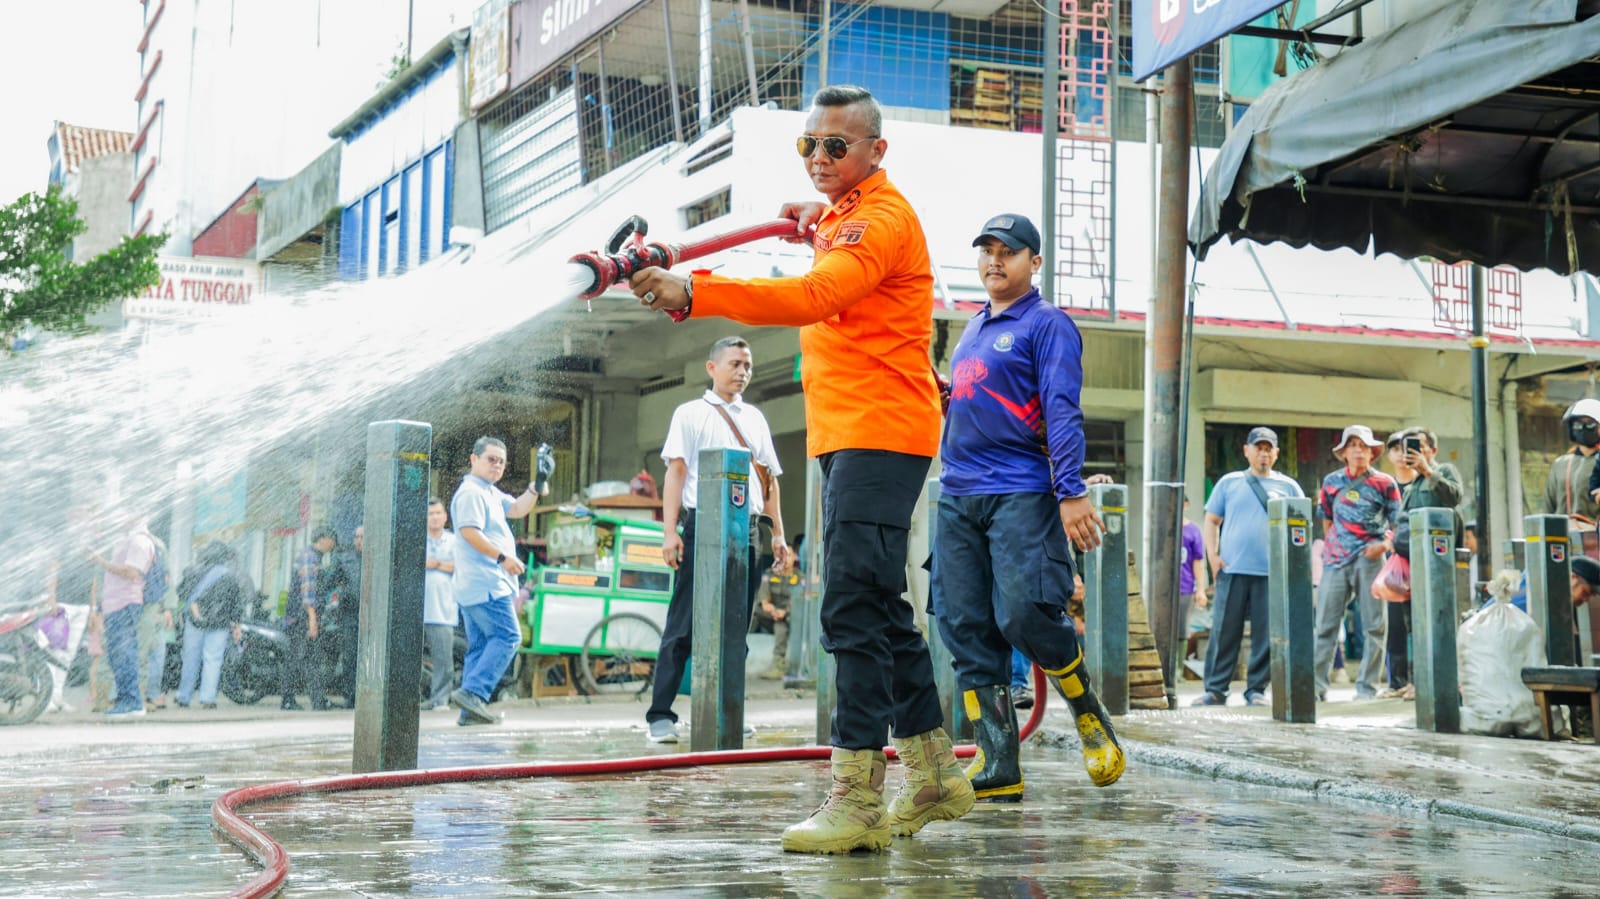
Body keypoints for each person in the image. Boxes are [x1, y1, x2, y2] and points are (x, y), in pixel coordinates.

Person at [629, 86, 982, 853]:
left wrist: (695, 291)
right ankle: (934, 772)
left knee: (850, 607)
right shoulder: (848, 214)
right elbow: (834, 252)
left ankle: (856, 795)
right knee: (877, 600)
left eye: (837, 147)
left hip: (881, 429)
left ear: (876, 152)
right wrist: (815, 218)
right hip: (855, 432)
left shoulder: (880, 218)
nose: (820, 158)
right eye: (808, 146)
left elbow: (822, 293)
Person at [931, 211, 1120, 805]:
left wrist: (1070, 492)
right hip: (958, 492)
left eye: (1007, 251)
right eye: (986, 250)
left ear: (1033, 263)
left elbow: (1061, 410)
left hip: (1022, 488)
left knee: (1024, 614)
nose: (994, 260)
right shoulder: (972, 329)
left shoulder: (1048, 324)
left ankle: (1086, 708)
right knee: (963, 624)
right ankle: (997, 761)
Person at [647, 336, 789, 742]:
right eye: (734, 364)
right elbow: (676, 473)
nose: (742, 372)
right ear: (712, 368)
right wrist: (670, 531)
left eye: (747, 365)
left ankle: (729, 709)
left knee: (735, 628)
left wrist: (777, 533)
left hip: (746, 532)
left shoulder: (756, 419)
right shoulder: (690, 414)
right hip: (701, 527)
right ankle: (660, 716)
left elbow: (769, 481)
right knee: (684, 624)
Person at [1196, 427, 1306, 707]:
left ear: (1277, 453)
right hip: (1232, 569)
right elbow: (1211, 520)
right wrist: (1213, 557)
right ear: (1247, 451)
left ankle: (1256, 689)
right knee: (1224, 630)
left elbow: (1301, 528)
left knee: (1266, 634)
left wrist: (1292, 568)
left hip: (1271, 573)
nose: (1263, 453)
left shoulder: (1289, 487)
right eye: (1258, 448)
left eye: (1269, 448)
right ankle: (1216, 689)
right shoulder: (1230, 483)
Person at [449, 436, 549, 726]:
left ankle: (470, 713)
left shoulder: (489, 492)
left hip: (477, 585)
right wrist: (503, 557)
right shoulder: (471, 493)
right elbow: (469, 532)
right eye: (491, 459)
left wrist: (538, 482)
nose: (497, 466)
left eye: (502, 462)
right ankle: (473, 693)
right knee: (508, 636)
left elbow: (518, 508)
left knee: (480, 646)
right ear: (474, 459)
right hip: (486, 582)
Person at [1312, 425, 1402, 702]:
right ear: (1344, 452)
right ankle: (1315, 687)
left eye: (1363, 446)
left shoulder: (1385, 483)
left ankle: (1367, 687)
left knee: (1375, 626)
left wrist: (1384, 546)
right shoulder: (1331, 482)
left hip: (1371, 558)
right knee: (1326, 625)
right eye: (1352, 445)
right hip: (1336, 561)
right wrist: (1335, 545)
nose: (1358, 450)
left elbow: (1397, 523)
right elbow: (1326, 519)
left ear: (1373, 452)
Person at [1380, 427, 1462, 700]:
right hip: (1411, 562)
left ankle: (1434, 679)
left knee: (1435, 621)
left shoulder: (1444, 471)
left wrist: (1428, 471)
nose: (1410, 453)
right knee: (1413, 624)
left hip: (1437, 564)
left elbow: (1454, 497)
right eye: (1406, 448)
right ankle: (1415, 680)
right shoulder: (1412, 485)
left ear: (1432, 450)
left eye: (1417, 447)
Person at [87, 515, 158, 718]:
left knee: (125, 654)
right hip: (115, 605)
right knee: (118, 655)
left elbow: (132, 572)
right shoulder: (127, 539)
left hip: (125, 604)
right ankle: (127, 700)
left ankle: (132, 702)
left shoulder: (140, 541)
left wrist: (101, 562)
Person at [174, 543, 247, 710]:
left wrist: (195, 610)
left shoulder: (193, 572)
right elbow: (235, 602)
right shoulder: (230, 576)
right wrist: (236, 625)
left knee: (190, 659)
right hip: (219, 625)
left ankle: (184, 696)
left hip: (195, 622)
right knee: (213, 660)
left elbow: (182, 593)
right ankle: (208, 698)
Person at [282, 527, 337, 711]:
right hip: (302, 617)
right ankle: (289, 699)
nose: (333, 544)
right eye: (332, 540)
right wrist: (312, 619)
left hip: (304, 616)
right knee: (300, 658)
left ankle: (318, 700)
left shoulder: (314, 557)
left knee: (308, 658)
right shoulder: (309, 557)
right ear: (323, 539)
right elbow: (308, 592)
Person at [422, 498, 458, 711]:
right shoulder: (418, 540)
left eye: (438, 513)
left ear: (445, 516)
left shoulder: (454, 541)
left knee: (443, 659)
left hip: (443, 609)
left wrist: (436, 565)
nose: (434, 517)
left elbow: (461, 566)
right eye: (430, 514)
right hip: (418, 610)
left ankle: (440, 699)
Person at [1542, 398, 1600, 521]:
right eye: (1578, 424)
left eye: (1590, 424)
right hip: (1562, 534)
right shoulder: (1560, 464)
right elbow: (1549, 506)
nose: (1584, 428)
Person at [755, 550, 799, 681]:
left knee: (782, 623)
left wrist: (785, 612)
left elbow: (800, 601)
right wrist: (773, 610)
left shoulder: (800, 577)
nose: (785, 559)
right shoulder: (769, 574)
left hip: (792, 617)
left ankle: (778, 664)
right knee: (756, 610)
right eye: (782, 556)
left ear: (795, 557)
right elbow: (764, 600)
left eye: (789, 555)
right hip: (771, 615)